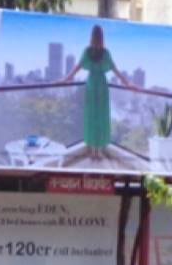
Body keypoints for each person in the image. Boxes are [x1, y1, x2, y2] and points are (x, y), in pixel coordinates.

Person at [60, 24, 141, 163]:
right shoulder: (105, 53)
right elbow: (116, 71)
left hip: (91, 85)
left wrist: (65, 79)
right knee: (101, 117)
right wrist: (128, 84)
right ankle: (98, 151)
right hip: (102, 86)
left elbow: (77, 68)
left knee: (92, 117)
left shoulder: (87, 51)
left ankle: (92, 151)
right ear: (102, 37)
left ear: (91, 36)